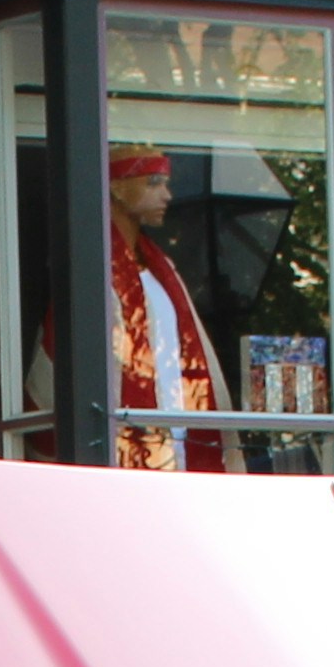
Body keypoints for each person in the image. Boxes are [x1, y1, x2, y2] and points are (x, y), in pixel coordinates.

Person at [100, 144, 224, 471]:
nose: (167, 195)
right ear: (116, 186)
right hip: (124, 451)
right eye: (153, 182)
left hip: (177, 440)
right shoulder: (97, 270)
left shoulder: (161, 271)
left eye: (166, 184)